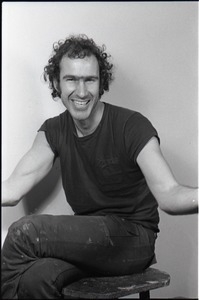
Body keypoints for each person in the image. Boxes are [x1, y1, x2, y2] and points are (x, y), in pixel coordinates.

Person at [1, 34, 198, 299]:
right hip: (88, 241)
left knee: (26, 232)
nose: (81, 92)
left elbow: (170, 194)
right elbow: (12, 191)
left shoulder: (132, 125)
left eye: (89, 80)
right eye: (71, 79)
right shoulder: (53, 130)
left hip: (133, 239)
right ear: (56, 83)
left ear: (100, 82)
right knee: (37, 277)